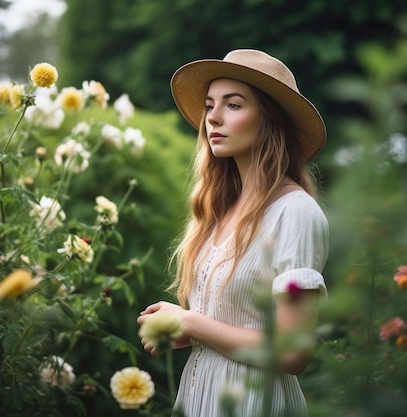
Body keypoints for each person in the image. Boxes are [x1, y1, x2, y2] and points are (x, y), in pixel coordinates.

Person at [137, 49, 329, 417]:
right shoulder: (219, 210)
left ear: (269, 119)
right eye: (210, 105)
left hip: (254, 402)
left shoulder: (296, 213)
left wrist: (193, 322)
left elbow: (293, 352)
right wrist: (190, 331)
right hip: (200, 396)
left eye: (234, 105)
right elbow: (229, 323)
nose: (214, 118)